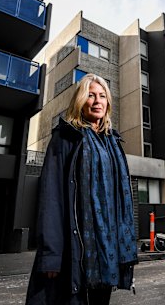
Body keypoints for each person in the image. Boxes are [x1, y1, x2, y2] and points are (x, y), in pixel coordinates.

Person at [26, 73, 138, 305]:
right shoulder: (65, 138)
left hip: (106, 250)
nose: (97, 101)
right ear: (80, 101)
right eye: (90, 95)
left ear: (108, 103)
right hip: (74, 248)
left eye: (102, 96)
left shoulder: (113, 142)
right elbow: (51, 198)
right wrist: (51, 255)